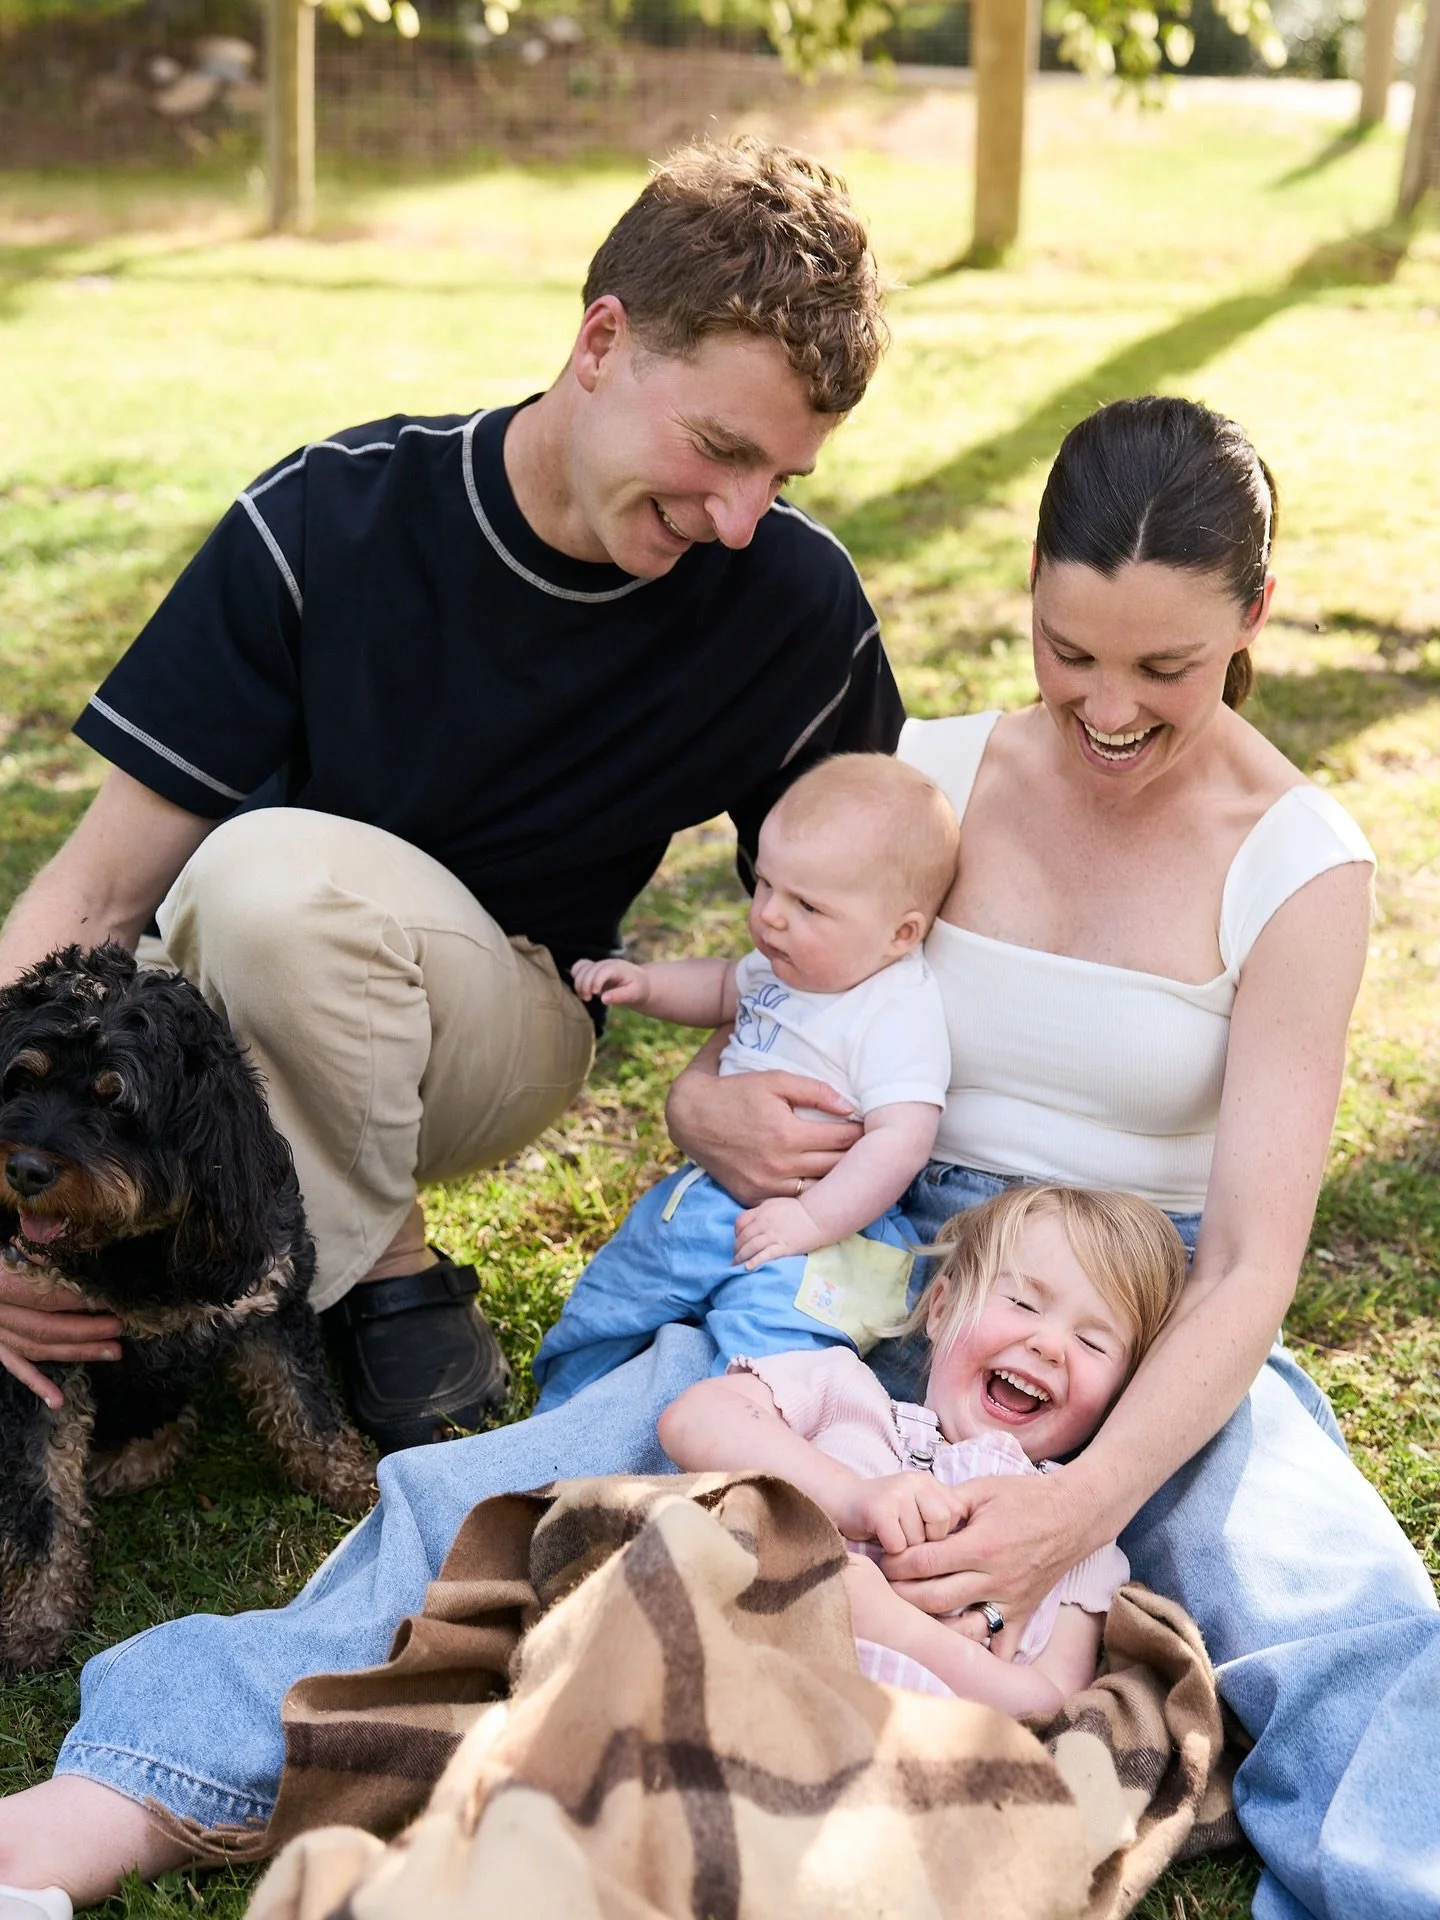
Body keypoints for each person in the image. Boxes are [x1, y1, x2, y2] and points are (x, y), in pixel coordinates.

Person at [0, 397, 1435, 1920]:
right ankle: (101, 1808)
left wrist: (1084, 1510)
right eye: (1068, 652)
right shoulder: (929, 780)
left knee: (1333, 1600)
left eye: (1168, 667)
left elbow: (1252, 1263)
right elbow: (776, 1022)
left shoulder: (1300, 864)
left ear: (1256, 617)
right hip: (867, 1247)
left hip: (1139, 1292)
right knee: (497, 1500)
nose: (1109, 707)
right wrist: (703, 1111)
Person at [0, 138, 902, 1454]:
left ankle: (321, 1273)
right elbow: (96, 891)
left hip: (507, 1021)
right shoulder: (328, 519)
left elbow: (876, 925)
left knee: (264, 883)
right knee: (240, 894)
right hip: (235, 1012)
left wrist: (702, 1088)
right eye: (718, 449)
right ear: (601, 342)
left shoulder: (791, 607)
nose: (742, 516)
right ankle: (343, 1277)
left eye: (781, 477)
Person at [658, 1183, 1188, 1716]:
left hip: (908, 1750)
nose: (1048, 1345)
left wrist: (896, 1630)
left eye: (1093, 1343)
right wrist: (850, 1496)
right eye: (1023, 1303)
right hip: (736, 1675)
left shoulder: (1078, 1540)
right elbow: (695, 1419)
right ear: (941, 1309)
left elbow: (1050, 1704)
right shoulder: (849, 1396)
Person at [532, 753, 958, 1409]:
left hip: (821, 1233)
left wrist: (809, 1220)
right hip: (703, 1199)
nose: (771, 918)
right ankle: (564, 1409)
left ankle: (738, 1449)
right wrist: (645, 986)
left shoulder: (894, 1010)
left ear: (900, 934)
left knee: (767, 1355)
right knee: (612, 1299)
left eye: (807, 905)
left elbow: (900, 1142)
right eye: (765, 886)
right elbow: (722, 986)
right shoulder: (782, 964)